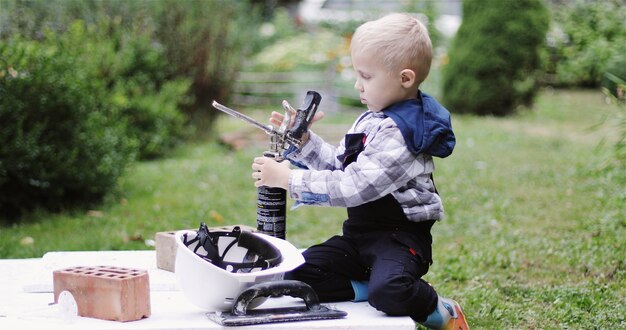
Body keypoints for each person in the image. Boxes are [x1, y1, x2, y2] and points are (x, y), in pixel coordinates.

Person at [251, 13, 469, 330]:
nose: (357, 85)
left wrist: (288, 179)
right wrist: (303, 142)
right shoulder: (371, 119)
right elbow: (339, 165)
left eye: (366, 76)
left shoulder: (402, 133)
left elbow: (353, 186)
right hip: (359, 239)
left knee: (391, 290)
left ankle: (440, 310)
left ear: (405, 79)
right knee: (294, 273)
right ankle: (367, 288)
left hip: (399, 241)